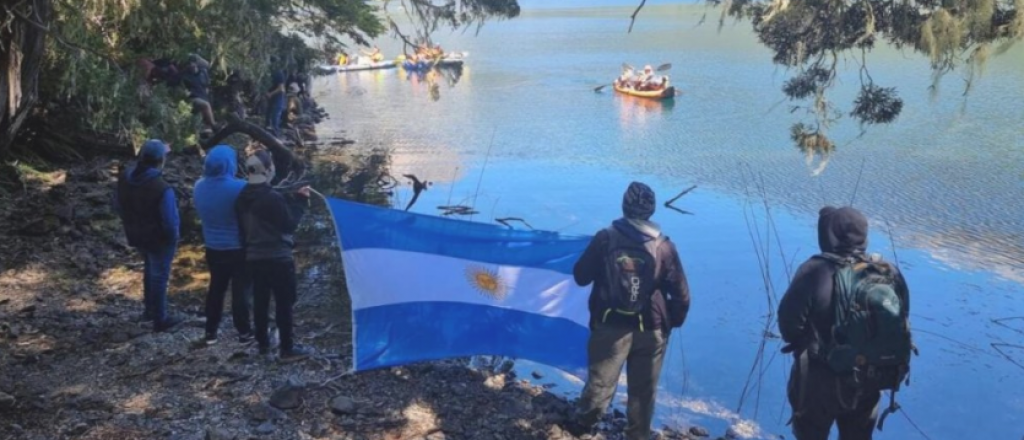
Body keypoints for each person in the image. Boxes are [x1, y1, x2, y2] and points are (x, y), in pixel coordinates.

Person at [564, 182, 691, 440]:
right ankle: (638, 434)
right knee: (643, 391)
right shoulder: (664, 246)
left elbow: (580, 276)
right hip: (652, 328)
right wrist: (672, 323)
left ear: (624, 206)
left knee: (601, 380)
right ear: (651, 211)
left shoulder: (605, 238)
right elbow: (681, 294)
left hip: (611, 325)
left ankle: (584, 425)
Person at [778, 206, 912, 440]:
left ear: (829, 235)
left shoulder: (815, 270)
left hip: (821, 381)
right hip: (872, 377)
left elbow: (789, 327)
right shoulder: (889, 272)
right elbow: (902, 320)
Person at [235, 150, 313, 361]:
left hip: (253, 257)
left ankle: (263, 344)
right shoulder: (271, 198)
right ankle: (287, 348)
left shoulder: (242, 196)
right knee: (285, 303)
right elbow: (289, 225)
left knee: (261, 301)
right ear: (268, 171)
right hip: (278, 257)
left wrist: (292, 197)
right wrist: (300, 202)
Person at [114, 139, 185, 332]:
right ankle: (160, 319)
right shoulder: (162, 188)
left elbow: (118, 205)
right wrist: (174, 238)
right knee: (160, 276)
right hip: (159, 239)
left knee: (149, 269)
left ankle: (149, 311)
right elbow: (170, 222)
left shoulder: (125, 177)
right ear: (161, 160)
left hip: (136, 234)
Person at [194, 145, 253, 346]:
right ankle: (244, 333)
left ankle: (211, 332)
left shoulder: (198, 186)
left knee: (216, 289)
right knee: (240, 292)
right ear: (230, 164)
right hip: (237, 248)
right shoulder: (240, 187)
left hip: (212, 247)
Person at [180, 53, 217, 130]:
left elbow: (207, 85)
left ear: (196, 63)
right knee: (205, 105)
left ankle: (208, 128)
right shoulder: (185, 75)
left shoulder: (203, 72)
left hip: (204, 96)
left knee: (208, 104)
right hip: (193, 98)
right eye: (189, 63)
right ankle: (214, 125)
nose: (191, 65)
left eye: (193, 63)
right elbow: (180, 86)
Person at [265, 59, 287, 137]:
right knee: (268, 117)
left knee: (275, 117)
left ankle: (277, 136)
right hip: (271, 98)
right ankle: (268, 136)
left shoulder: (279, 73)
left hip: (278, 98)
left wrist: (270, 94)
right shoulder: (268, 73)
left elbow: (281, 88)